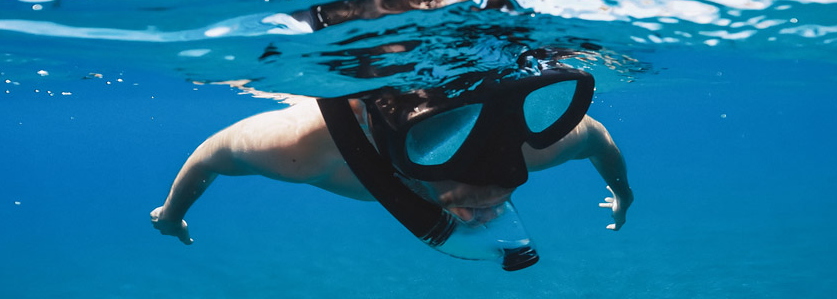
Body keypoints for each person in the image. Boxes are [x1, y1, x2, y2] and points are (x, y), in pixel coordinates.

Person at [151, 48, 632, 270]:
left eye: (499, 191)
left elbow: (598, 140)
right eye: (439, 149)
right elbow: (210, 154)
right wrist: (172, 214)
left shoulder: (534, 141)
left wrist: (621, 191)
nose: (480, 211)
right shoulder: (304, 148)